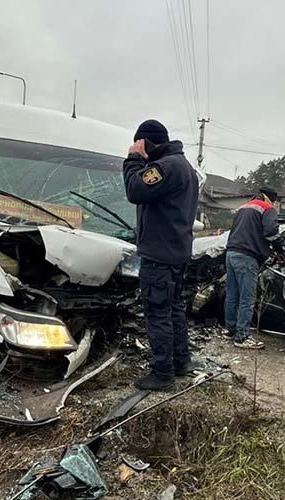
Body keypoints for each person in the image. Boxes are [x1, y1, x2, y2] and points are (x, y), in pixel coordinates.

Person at [123, 119, 199, 391]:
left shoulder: (165, 167)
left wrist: (133, 159)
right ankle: (181, 362)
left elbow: (134, 190)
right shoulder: (184, 166)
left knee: (157, 313)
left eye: (140, 145)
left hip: (160, 256)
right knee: (173, 309)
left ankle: (162, 373)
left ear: (147, 143)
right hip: (176, 254)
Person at [224, 186, 283, 350]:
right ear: (271, 199)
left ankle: (230, 330)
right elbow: (271, 232)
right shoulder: (267, 208)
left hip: (231, 253)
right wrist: (281, 250)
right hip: (247, 257)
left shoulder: (244, 207)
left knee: (232, 295)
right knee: (247, 298)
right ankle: (242, 337)